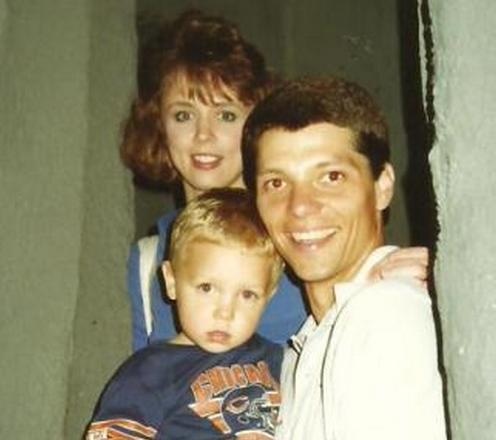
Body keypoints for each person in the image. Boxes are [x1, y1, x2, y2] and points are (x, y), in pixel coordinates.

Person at [122, 9, 429, 351]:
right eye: (183, 115)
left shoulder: (296, 233)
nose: (203, 135)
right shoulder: (149, 261)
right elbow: (145, 376)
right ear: (158, 124)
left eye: (226, 115)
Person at [241, 77, 446, 439]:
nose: (300, 206)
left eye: (331, 177)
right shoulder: (306, 344)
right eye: (276, 183)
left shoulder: (386, 315)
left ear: (382, 186)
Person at [86, 188, 284, 439]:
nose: (225, 313)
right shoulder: (150, 371)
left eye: (247, 294)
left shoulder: (278, 360)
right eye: (206, 288)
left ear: (268, 295)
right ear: (171, 282)